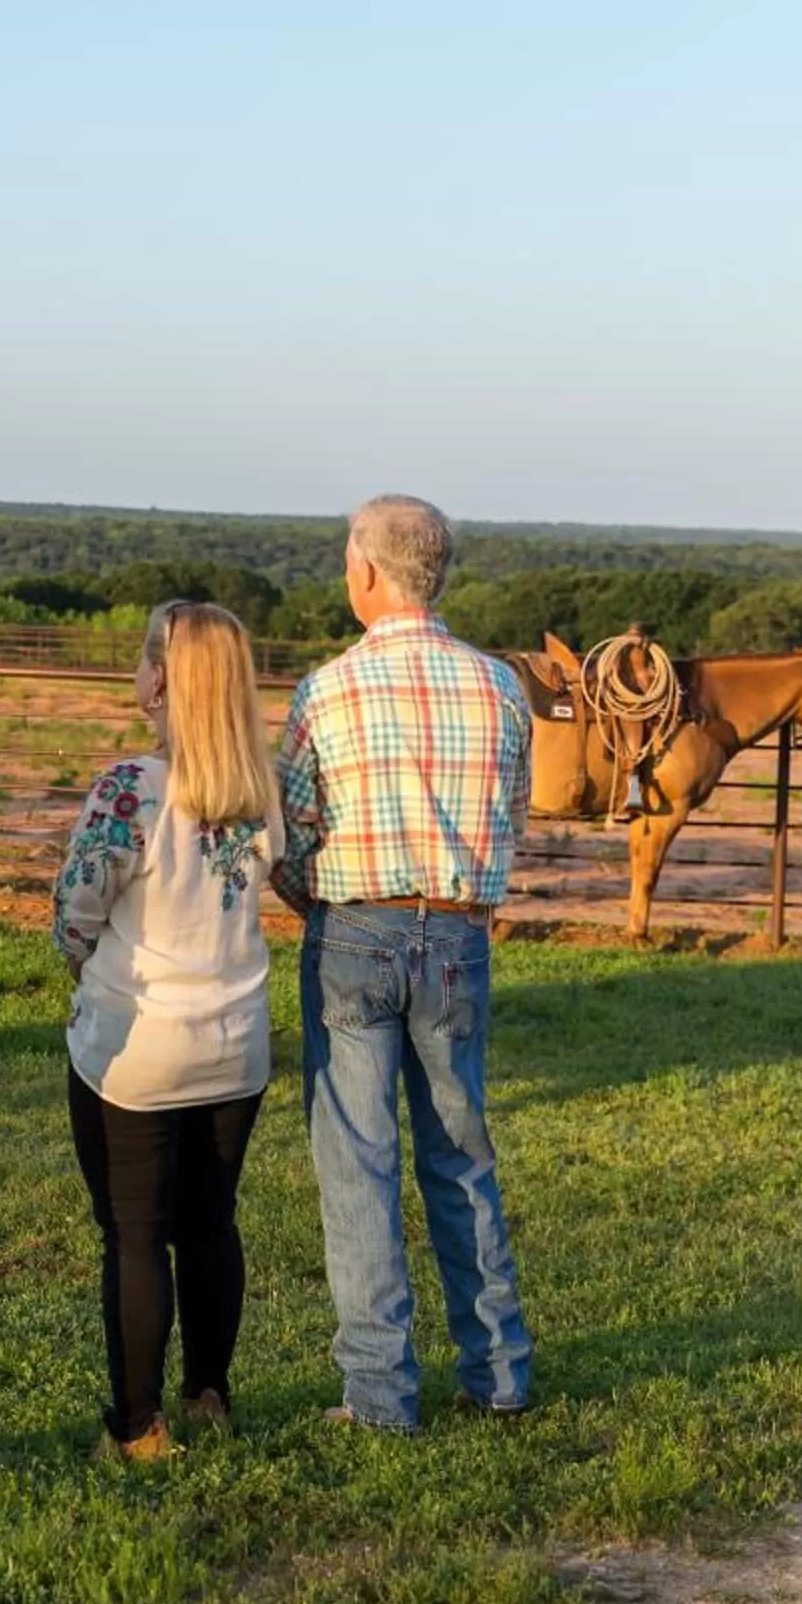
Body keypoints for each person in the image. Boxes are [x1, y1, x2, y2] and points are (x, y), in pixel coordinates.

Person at [273, 494, 535, 1432]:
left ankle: (382, 1393)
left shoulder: (325, 690)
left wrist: (319, 900)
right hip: (459, 932)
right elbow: (513, 813)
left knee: (358, 1164)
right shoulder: (500, 685)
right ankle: (499, 1372)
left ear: (369, 572)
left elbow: (291, 832)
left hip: (355, 928)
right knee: (462, 1151)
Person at [54, 600, 285, 1460]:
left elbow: (76, 908)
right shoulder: (258, 792)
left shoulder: (129, 790)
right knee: (212, 1225)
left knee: (136, 1233)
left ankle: (138, 1423)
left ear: (159, 678)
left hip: (138, 1048)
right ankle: (209, 1392)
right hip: (235, 1044)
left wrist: (81, 963)